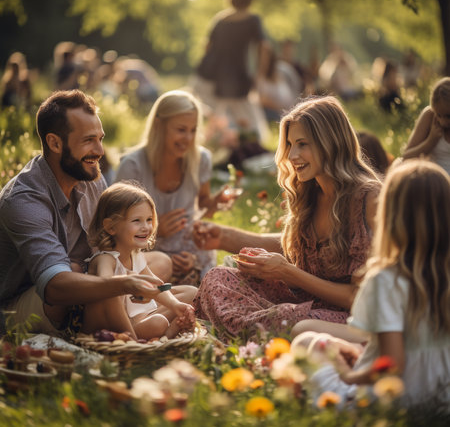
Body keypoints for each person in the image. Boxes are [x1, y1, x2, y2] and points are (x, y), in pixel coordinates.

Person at [192, 96, 381, 337]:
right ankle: (248, 333)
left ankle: (238, 334)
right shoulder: (311, 191)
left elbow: (362, 298)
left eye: (303, 144)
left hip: (352, 316)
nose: (292, 155)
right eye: (290, 145)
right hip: (304, 302)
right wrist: (225, 238)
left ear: (331, 142)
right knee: (218, 278)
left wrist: (287, 272)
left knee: (285, 318)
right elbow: (290, 245)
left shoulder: (369, 199)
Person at [0, 90, 171, 336]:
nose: (100, 150)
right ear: (55, 143)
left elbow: (109, 247)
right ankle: (122, 332)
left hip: (84, 274)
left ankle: (126, 324)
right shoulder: (23, 200)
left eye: (100, 139)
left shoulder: (88, 177)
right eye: (89, 140)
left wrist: (126, 272)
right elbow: (54, 287)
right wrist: (122, 283)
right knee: (89, 277)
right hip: (25, 303)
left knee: (158, 263)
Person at [293, 160, 450, 409]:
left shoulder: (387, 279)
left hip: (391, 400)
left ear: (390, 215)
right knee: (340, 344)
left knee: (305, 342)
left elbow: (393, 364)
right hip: (442, 398)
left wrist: (349, 376)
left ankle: (301, 408)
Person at [114, 90, 233, 285]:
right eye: (181, 129)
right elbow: (116, 227)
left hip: (187, 248)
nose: (188, 138)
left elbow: (202, 207)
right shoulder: (133, 166)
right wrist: (155, 229)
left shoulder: (200, 159)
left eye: (193, 130)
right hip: (145, 249)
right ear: (159, 126)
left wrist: (216, 203)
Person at [84, 181, 196, 339]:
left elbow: (157, 285)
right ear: (111, 227)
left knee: (192, 293)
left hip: (139, 318)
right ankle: (135, 340)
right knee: (116, 291)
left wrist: (175, 305)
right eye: (137, 221)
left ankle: (165, 335)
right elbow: (105, 285)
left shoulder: (135, 255)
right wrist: (127, 284)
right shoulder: (105, 259)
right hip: (114, 325)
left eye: (149, 220)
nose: (146, 227)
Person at [192, 0, 270, 142]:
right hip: (235, 76)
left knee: (216, 114)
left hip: (209, 74)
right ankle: (253, 147)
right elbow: (264, 47)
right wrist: (259, 75)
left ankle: (210, 144)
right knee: (247, 117)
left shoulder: (220, 19)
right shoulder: (252, 20)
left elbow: (207, 46)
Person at [403, 77, 450, 174]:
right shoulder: (429, 115)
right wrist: (430, 141)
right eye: (439, 115)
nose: (443, 122)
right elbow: (406, 157)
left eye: (448, 116)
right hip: (432, 180)